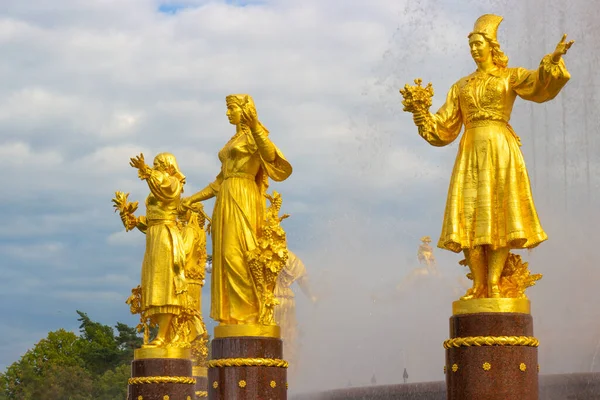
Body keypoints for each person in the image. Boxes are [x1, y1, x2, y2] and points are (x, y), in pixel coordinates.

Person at [405, 14, 574, 299]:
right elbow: (444, 129)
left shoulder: (510, 76)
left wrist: (554, 60)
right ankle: (477, 284)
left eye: (478, 43)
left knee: (498, 217)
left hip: (500, 148)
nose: (473, 49)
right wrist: (421, 113)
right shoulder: (461, 86)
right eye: (470, 44)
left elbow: (538, 85)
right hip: (470, 150)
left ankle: (494, 283)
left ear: (491, 46)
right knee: (470, 216)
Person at [181, 94, 292, 324]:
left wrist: (255, 127)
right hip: (226, 198)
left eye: (231, 108)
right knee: (225, 256)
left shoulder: (254, 135)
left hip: (245, 196)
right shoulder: (233, 140)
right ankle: (233, 315)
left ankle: (250, 314)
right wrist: (192, 198)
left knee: (239, 254)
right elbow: (219, 181)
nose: (227, 113)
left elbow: (271, 157)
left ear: (246, 110)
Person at [128, 152, 188, 346]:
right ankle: (163, 334)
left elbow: (164, 190)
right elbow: (150, 222)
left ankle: (163, 335)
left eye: (157, 164)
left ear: (168, 166)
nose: (154, 167)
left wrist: (145, 170)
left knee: (165, 285)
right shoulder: (158, 182)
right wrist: (132, 220)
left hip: (165, 236)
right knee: (154, 284)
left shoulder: (173, 183)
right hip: (155, 235)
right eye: (153, 165)